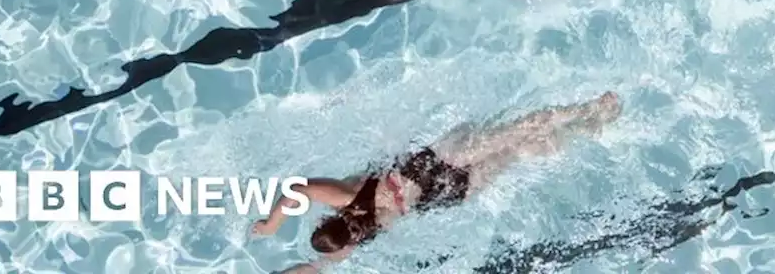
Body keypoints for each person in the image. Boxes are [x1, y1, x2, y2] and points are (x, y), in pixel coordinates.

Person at [251, 91, 622, 272]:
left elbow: (314, 269)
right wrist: (271, 225)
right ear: (322, 219)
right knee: (516, 136)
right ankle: (590, 111)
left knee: (520, 149)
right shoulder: (345, 200)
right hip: (434, 171)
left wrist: (274, 234)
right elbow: (299, 191)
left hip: (447, 190)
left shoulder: (355, 238)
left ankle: (590, 122)